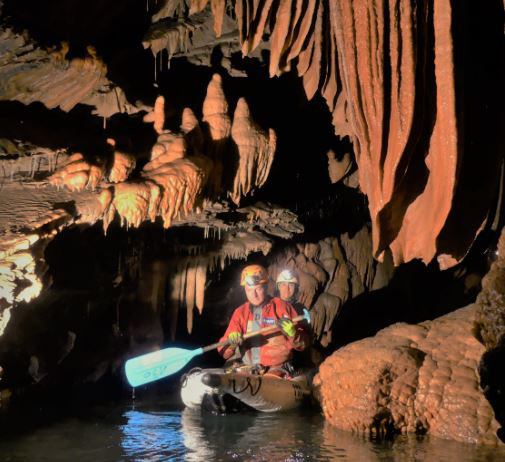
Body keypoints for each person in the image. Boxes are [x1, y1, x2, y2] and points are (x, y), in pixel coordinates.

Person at [217, 264, 307, 376]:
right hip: (249, 369)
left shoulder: (282, 307)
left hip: (278, 369)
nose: (254, 295)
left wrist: (294, 333)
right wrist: (231, 344)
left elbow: (302, 345)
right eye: (249, 290)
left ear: (265, 286)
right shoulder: (240, 313)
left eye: (258, 289)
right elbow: (224, 353)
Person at [276, 268, 320, 370]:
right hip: (276, 359)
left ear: (295, 288)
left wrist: (294, 333)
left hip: (297, 361)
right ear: (278, 286)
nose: (287, 288)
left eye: (291, 285)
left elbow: (307, 339)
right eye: (283, 284)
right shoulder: (272, 306)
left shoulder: (301, 309)